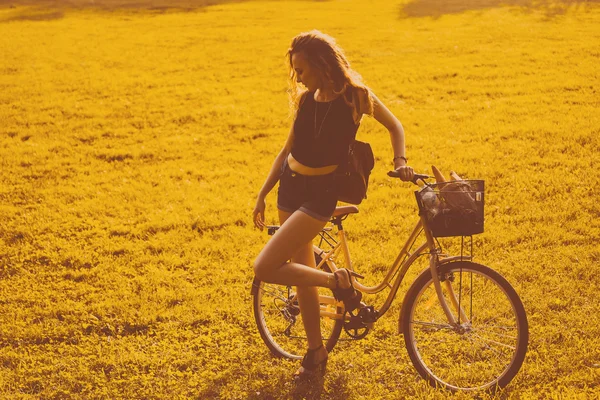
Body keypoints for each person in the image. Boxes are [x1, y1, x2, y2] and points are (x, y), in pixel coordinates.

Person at [252, 30, 414, 380]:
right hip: (289, 190)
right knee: (301, 276)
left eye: (302, 69)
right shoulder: (307, 99)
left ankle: (337, 281)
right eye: (294, 70)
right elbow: (286, 152)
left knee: (264, 266)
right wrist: (263, 193)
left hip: (319, 195)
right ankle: (315, 353)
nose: (298, 77)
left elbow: (394, 125)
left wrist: (400, 161)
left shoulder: (355, 98)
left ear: (323, 64)